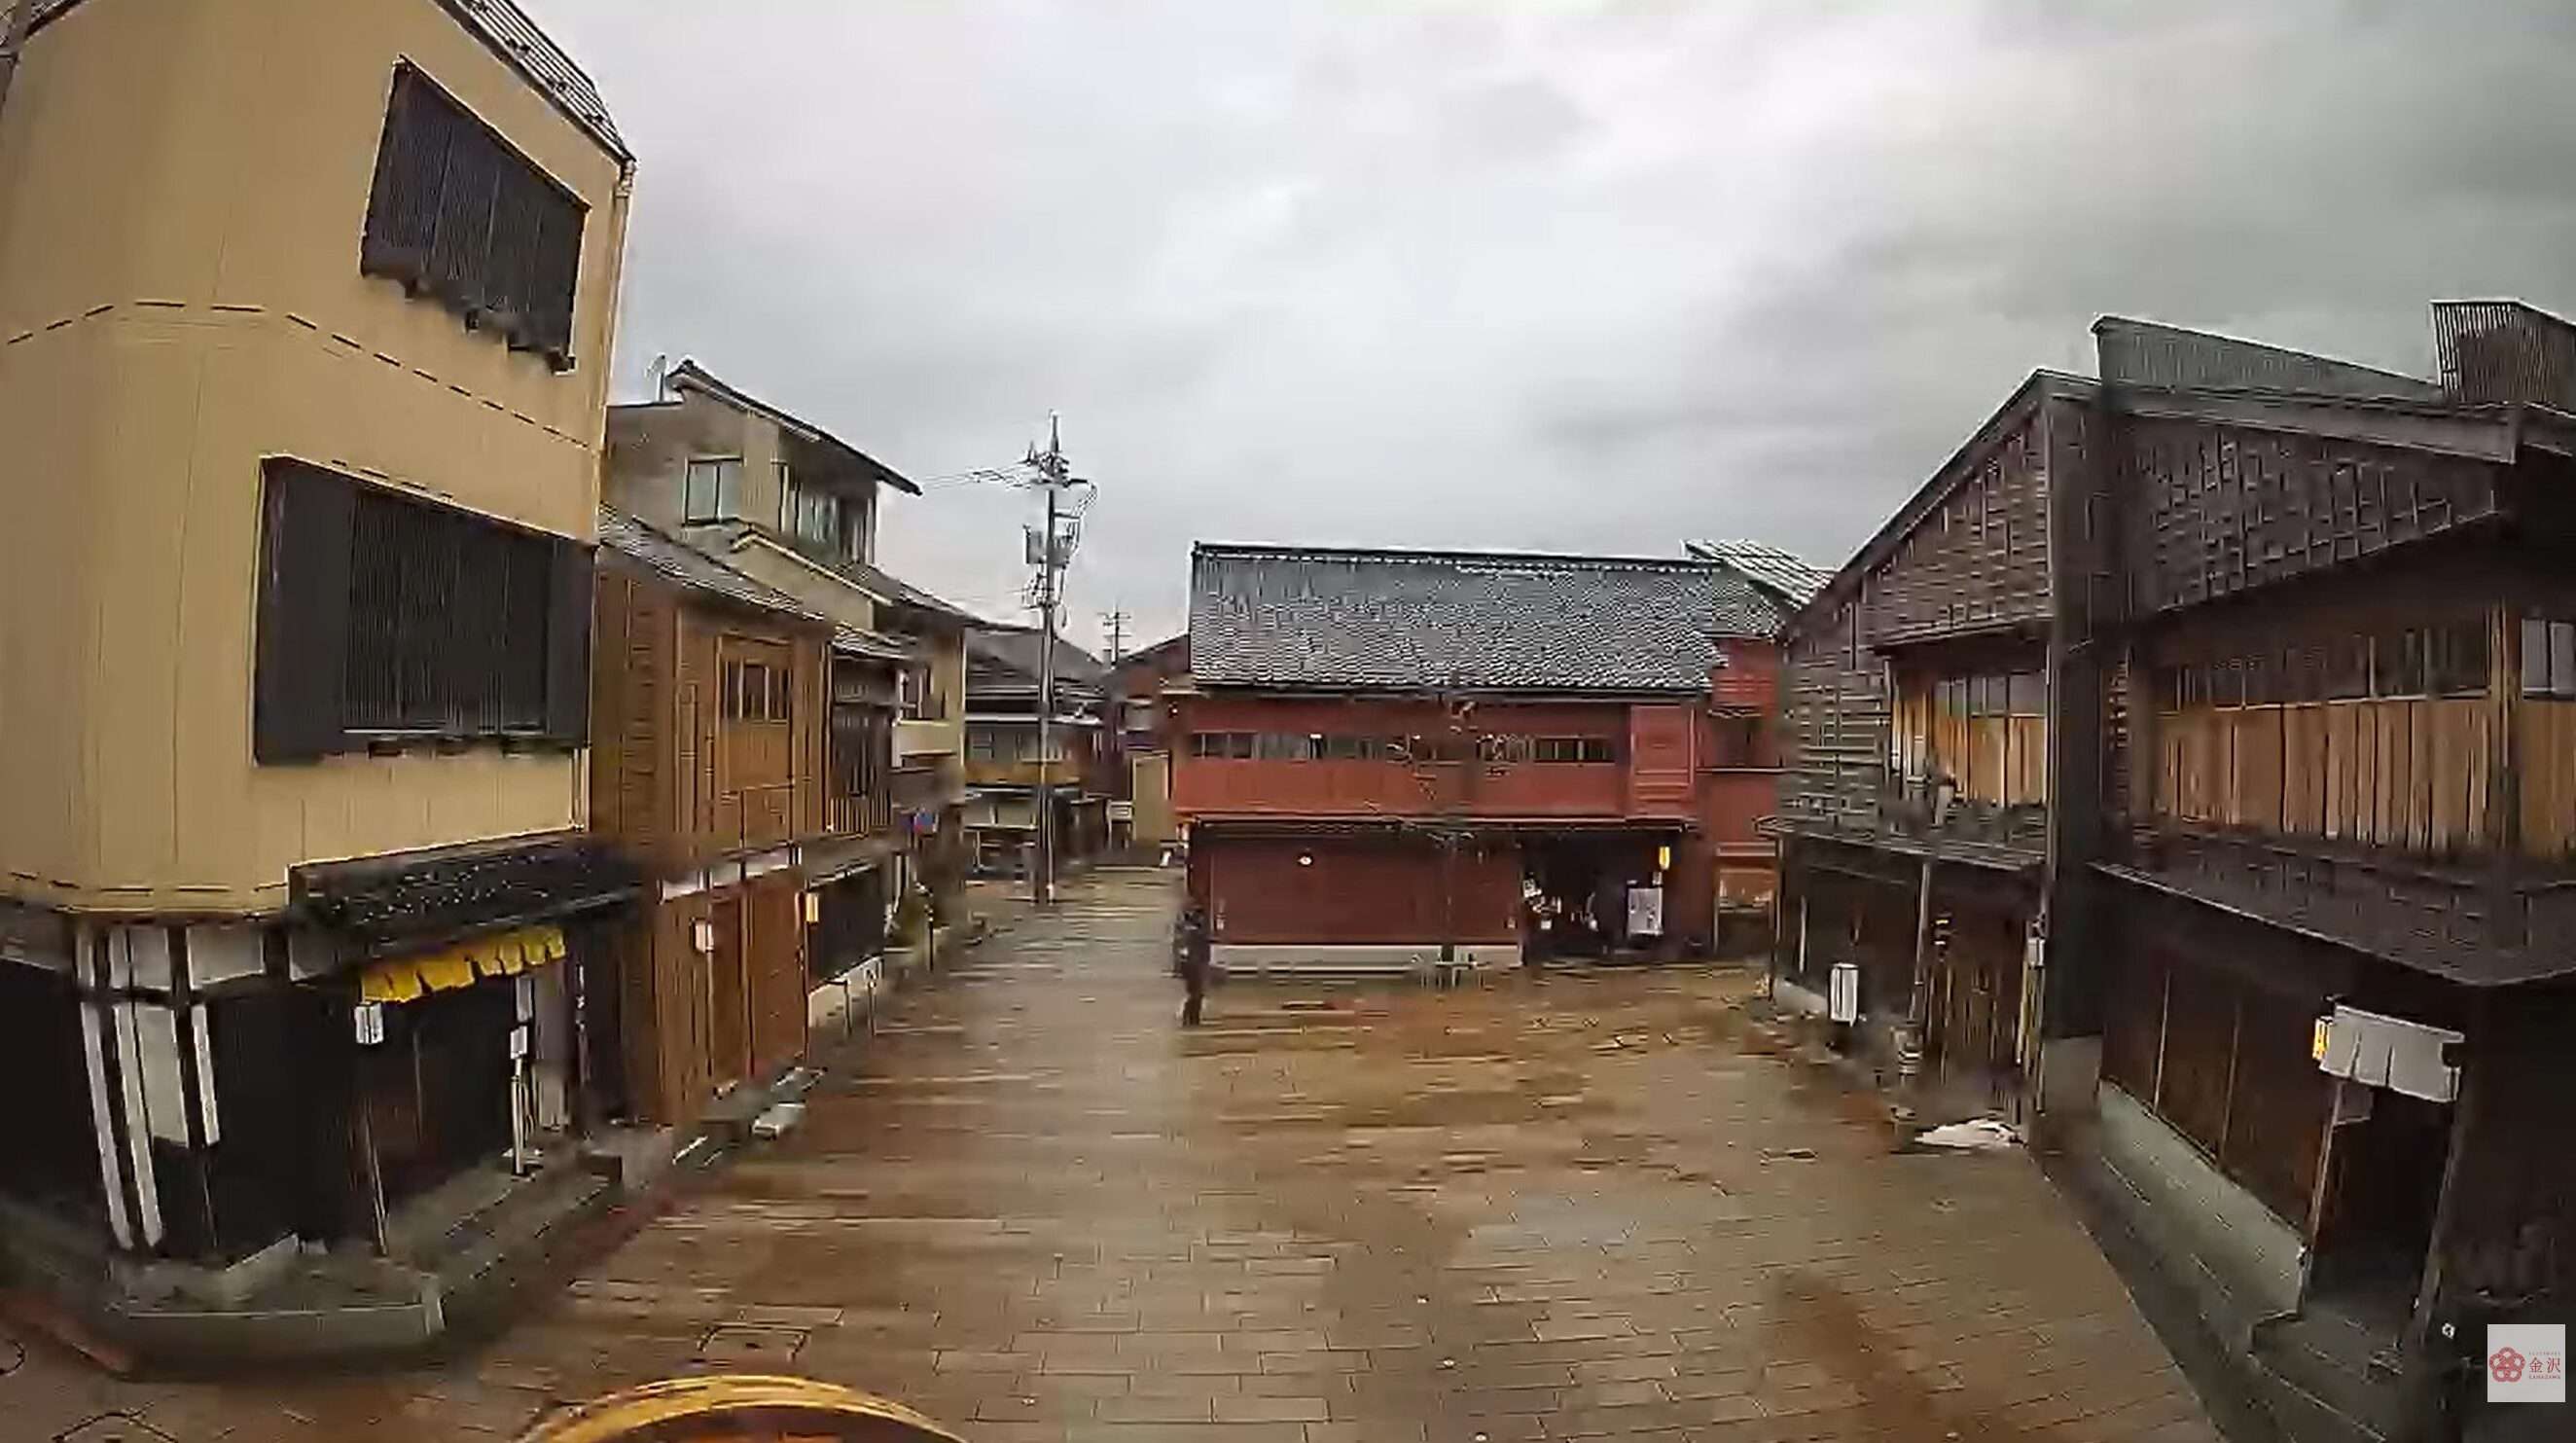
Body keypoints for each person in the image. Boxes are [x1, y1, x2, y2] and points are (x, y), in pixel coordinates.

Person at [1176, 902, 1210, 1027]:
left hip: (1193, 966)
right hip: (1194, 966)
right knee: (1196, 994)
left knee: (1196, 994)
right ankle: (1190, 1019)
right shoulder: (1193, 932)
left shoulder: (1187, 930)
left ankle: (1191, 1019)